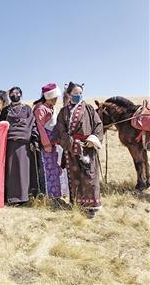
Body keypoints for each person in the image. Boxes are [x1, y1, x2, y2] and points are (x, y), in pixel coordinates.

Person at [54, 82, 103, 218]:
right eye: (75, 94)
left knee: (89, 176)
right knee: (74, 176)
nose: (78, 95)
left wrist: (93, 139)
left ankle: (90, 206)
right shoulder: (64, 112)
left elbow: (98, 126)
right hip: (71, 148)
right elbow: (60, 130)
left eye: (80, 93)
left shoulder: (89, 109)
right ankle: (76, 203)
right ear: (69, 95)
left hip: (87, 147)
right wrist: (70, 142)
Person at [0, 86, 40, 205]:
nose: (15, 94)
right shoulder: (5, 110)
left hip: (24, 144)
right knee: (11, 171)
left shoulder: (27, 109)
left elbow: (32, 124)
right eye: (12, 93)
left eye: (17, 93)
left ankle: (24, 197)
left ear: (21, 94)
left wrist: (33, 139)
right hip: (9, 144)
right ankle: (10, 197)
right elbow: (0, 126)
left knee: (24, 171)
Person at [33, 83, 69, 199]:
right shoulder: (40, 109)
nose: (56, 100)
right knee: (48, 169)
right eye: (54, 98)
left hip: (55, 143)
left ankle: (58, 194)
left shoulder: (50, 107)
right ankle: (51, 196)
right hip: (47, 144)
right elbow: (40, 127)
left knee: (57, 168)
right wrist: (46, 143)